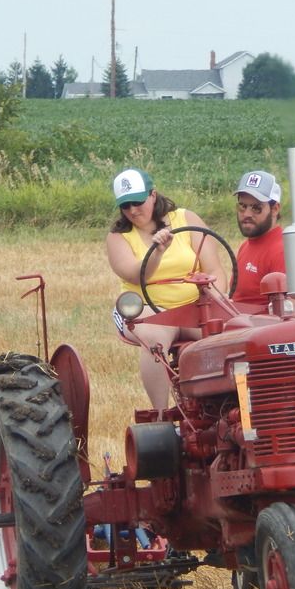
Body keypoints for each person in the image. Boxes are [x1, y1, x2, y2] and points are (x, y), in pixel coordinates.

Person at [106, 167, 228, 414]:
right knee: (154, 338)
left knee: (227, 336)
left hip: (194, 306)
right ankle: (161, 417)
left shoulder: (186, 219)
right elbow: (136, 275)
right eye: (125, 205)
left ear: (153, 194)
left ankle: (221, 411)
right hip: (147, 307)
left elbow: (215, 270)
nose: (132, 210)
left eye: (138, 202)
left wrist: (216, 303)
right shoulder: (118, 237)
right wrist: (157, 252)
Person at [231, 170, 286, 307]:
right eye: (242, 206)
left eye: (256, 208)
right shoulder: (246, 246)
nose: (247, 214)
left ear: (275, 209)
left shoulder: (281, 251)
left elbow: (286, 313)